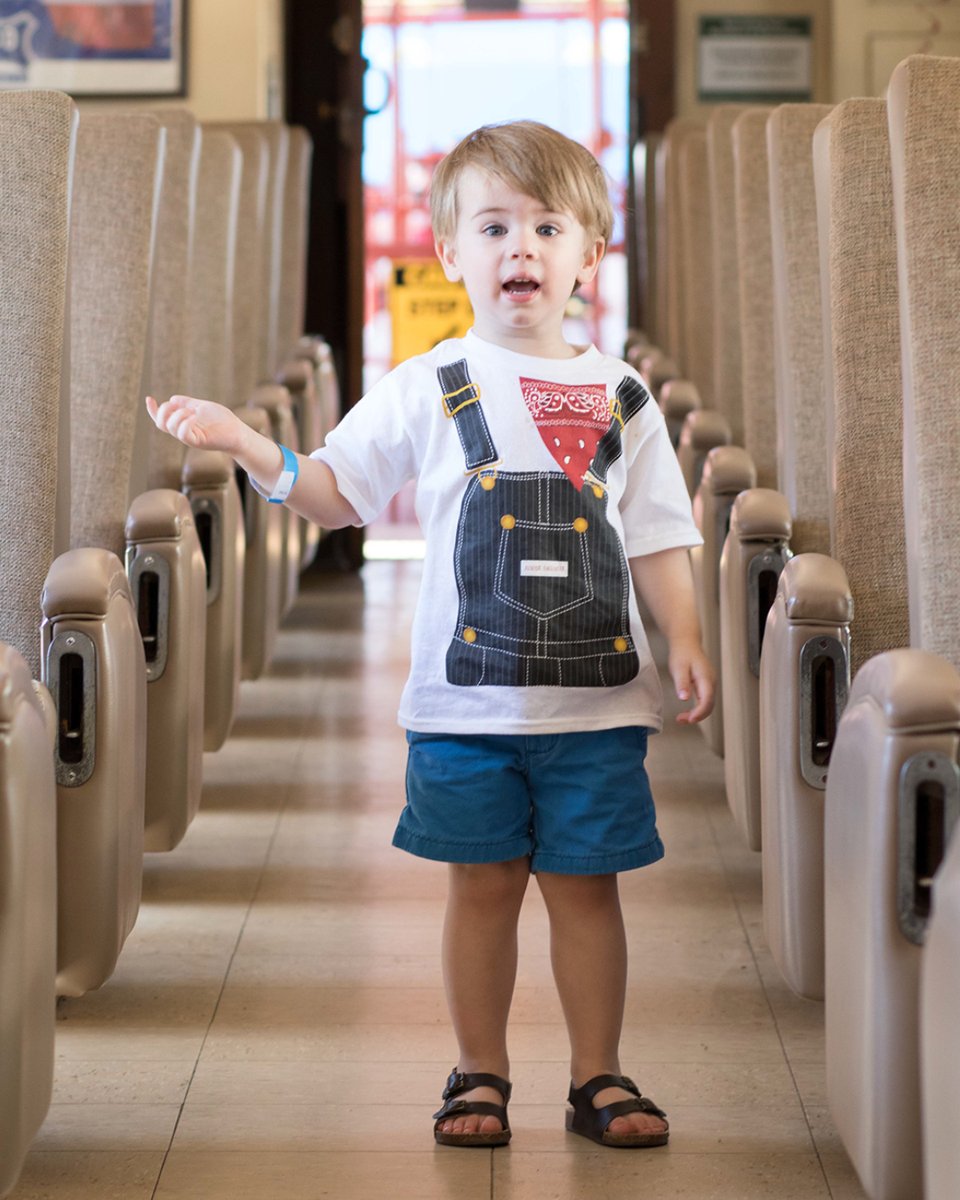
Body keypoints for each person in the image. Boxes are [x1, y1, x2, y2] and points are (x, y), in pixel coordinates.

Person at [147, 119, 714, 1151]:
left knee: (586, 890)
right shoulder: (426, 382)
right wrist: (243, 444)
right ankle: (480, 1071)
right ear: (450, 252)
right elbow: (333, 495)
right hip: (465, 708)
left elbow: (662, 537)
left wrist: (684, 633)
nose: (521, 249)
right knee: (485, 886)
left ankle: (600, 1075)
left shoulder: (620, 397)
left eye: (548, 227)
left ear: (592, 250)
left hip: (597, 705)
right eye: (493, 227)